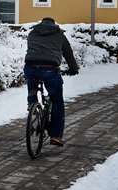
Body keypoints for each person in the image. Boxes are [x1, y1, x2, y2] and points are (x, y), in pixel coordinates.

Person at [24, 17, 79, 146]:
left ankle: (32, 104)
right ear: (54, 25)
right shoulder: (59, 35)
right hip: (50, 69)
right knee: (57, 100)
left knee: (32, 83)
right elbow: (68, 53)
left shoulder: (32, 33)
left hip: (31, 67)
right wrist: (73, 69)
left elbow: (33, 50)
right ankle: (55, 136)